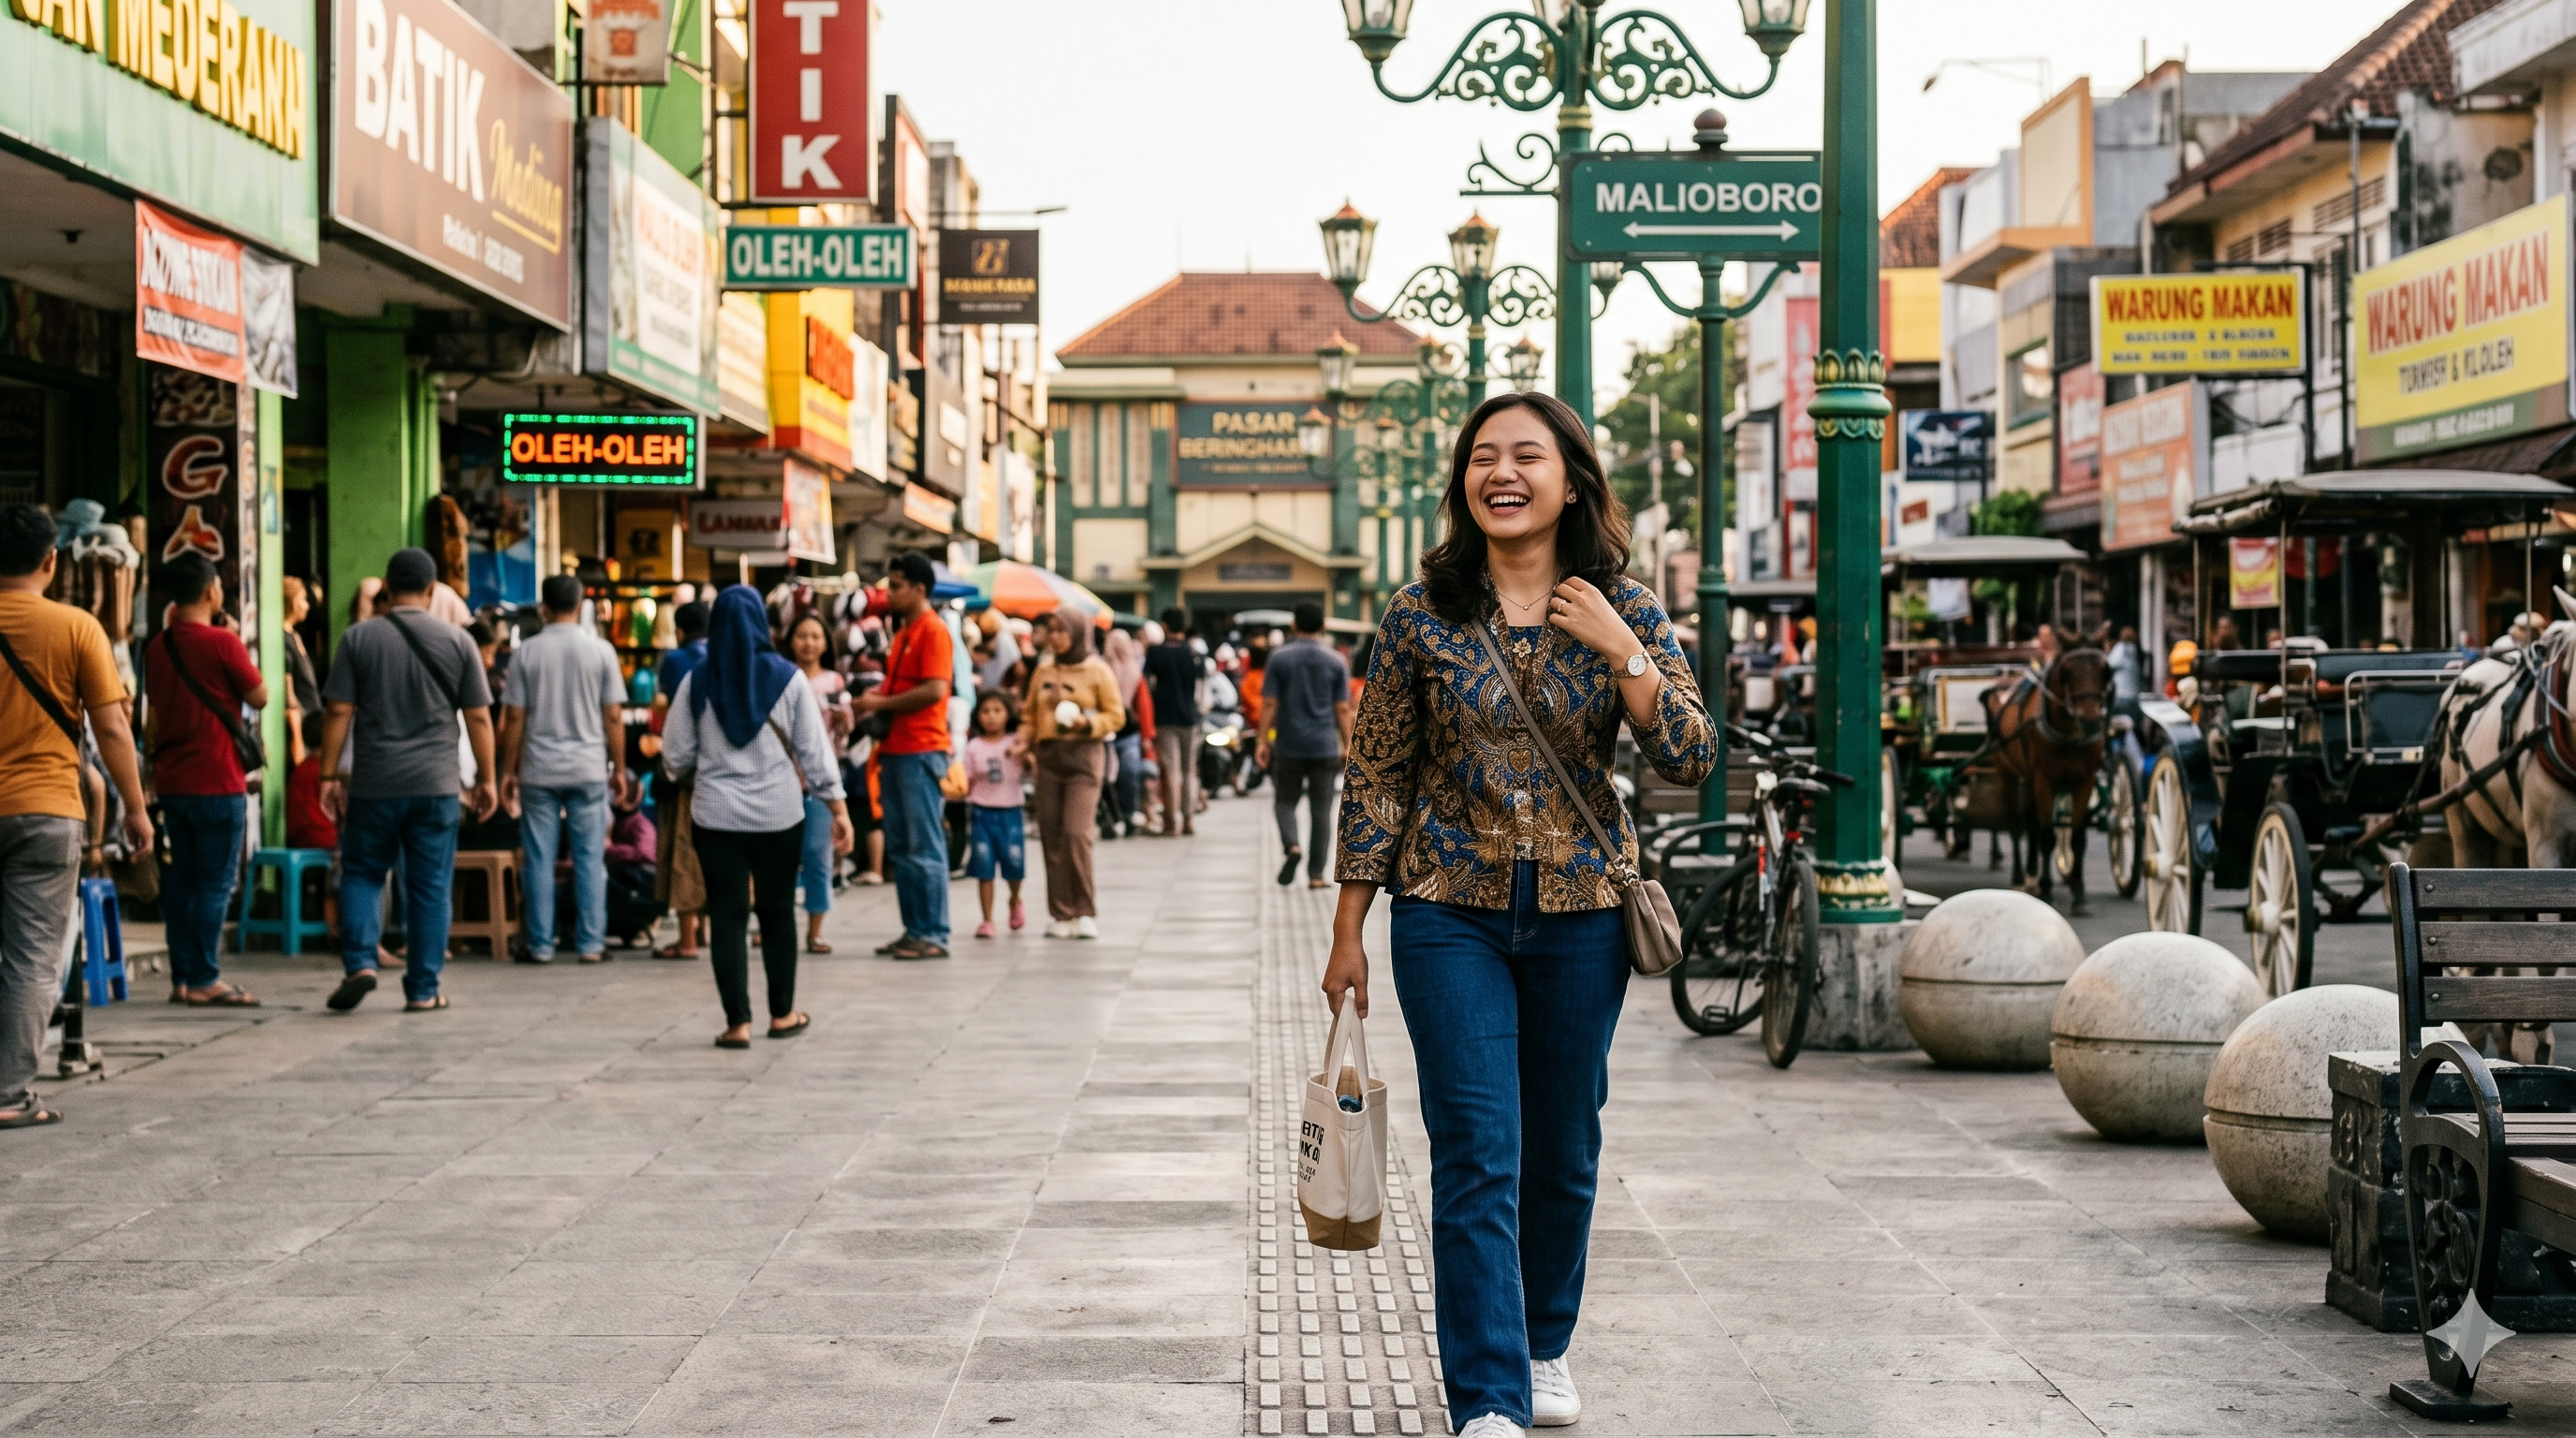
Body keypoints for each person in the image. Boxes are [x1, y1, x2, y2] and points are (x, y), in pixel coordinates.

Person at [1325, 392, 1714, 1438]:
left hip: (1585, 915)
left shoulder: (1623, 603)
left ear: (1572, 480)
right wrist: (1347, 928)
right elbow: (1377, 774)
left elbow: (1688, 754)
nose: (1501, 473)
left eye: (1526, 456)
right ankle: (1488, 1397)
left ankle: (1543, 1344)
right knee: (1477, 1148)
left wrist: (1624, 652)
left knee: (1562, 1147)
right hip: (1446, 910)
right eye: (1482, 457)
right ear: (1462, 483)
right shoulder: (1420, 612)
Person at [0, 504, 151, 1129]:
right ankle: (7, 1094)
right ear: (51, 560)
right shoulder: (76, 626)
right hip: (47, 810)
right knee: (32, 959)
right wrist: (135, 810)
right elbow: (112, 726)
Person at [661, 587, 851, 1048]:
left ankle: (737, 1023)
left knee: (726, 916)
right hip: (778, 815)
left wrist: (709, 766)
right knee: (777, 913)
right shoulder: (788, 679)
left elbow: (674, 755)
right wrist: (838, 808)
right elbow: (814, 751)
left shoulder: (697, 680)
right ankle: (782, 1014)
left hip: (715, 816)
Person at [317, 547, 498, 1013]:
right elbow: (478, 717)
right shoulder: (459, 641)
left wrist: (330, 773)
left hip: (375, 783)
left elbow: (338, 709)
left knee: (361, 872)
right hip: (437, 786)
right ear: (433, 589)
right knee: (430, 885)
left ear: (385, 588)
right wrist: (488, 780)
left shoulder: (357, 639)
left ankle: (360, 962)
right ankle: (422, 990)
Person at [143, 550, 270, 1005]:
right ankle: (204, 978)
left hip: (173, 781)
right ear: (210, 591)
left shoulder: (157, 646)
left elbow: (154, 709)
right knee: (215, 883)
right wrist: (234, 640)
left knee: (182, 882)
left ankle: (183, 976)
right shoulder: (223, 643)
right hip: (218, 780)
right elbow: (260, 696)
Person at [495, 574, 629, 966]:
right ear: (582, 603)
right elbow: (614, 717)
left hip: (540, 770)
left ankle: (540, 945)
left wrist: (508, 772)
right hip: (588, 768)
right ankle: (591, 945)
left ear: (543, 608)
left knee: (539, 857)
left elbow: (515, 716)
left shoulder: (527, 653)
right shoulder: (601, 651)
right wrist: (619, 769)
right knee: (590, 857)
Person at [854, 552, 954, 959]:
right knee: (902, 846)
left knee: (922, 844)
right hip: (897, 750)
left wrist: (880, 704)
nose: (889, 593)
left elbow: (935, 689)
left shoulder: (933, 631)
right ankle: (915, 929)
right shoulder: (905, 632)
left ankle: (932, 933)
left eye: (896, 586)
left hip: (921, 748)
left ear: (919, 589)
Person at [1021, 609, 1124, 938]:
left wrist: (1088, 723)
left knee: (1077, 833)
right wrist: (1022, 742)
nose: (1054, 637)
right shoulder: (1043, 670)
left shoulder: (1097, 670)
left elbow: (1116, 716)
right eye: (1050, 630)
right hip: (1049, 758)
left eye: (1061, 630)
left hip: (1084, 755)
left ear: (1078, 633)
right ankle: (1061, 912)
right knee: (1051, 835)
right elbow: (1029, 715)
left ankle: (1084, 909)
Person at [1257, 600, 1353, 889]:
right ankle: (1316, 875)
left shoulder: (1279, 658)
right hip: (1324, 746)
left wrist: (1262, 740)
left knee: (1285, 801)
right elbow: (1342, 708)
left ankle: (1292, 846)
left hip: (1289, 745)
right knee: (1321, 811)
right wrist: (1348, 744)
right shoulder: (1336, 661)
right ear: (1323, 626)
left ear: (1294, 625)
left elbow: (1270, 703)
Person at [784, 612, 852, 953]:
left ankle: (815, 930)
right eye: (801, 636)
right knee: (779, 857)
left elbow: (843, 737)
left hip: (821, 782)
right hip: (782, 780)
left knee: (817, 854)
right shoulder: (781, 677)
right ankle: (772, 925)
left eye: (815, 636)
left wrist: (842, 723)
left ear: (825, 643)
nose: (808, 643)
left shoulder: (834, 682)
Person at [652, 600, 711, 960]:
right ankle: (704, 931)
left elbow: (670, 711)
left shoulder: (675, 661)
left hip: (687, 771)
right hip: (720, 770)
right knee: (712, 850)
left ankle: (687, 938)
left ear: (680, 630)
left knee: (684, 848)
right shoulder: (726, 659)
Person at [961, 692, 1027, 938]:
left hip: (1011, 811)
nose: (991, 716)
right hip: (982, 812)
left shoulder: (1016, 743)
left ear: (1008, 714)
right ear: (977, 716)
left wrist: (1024, 754)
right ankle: (987, 919)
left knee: (1014, 862)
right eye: (985, 711)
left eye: (997, 710)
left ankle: (1014, 899)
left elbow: (1030, 768)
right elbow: (965, 780)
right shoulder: (973, 747)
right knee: (984, 866)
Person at [1144, 606, 1204, 835]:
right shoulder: (1194, 652)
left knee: (1171, 771)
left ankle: (1171, 821)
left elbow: (1148, 684)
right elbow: (1201, 689)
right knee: (1189, 771)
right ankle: (1188, 819)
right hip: (1190, 718)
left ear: (1165, 626)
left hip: (1165, 718)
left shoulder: (1156, 652)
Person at [1101, 627, 1151, 838]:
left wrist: (1147, 735)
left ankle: (1129, 813)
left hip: (1129, 731)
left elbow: (1144, 705)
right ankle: (1110, 817)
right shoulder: (1101, 670)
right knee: (1107, 778)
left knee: (1129, 773)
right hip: (1105, 731)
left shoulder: (1135, 671)